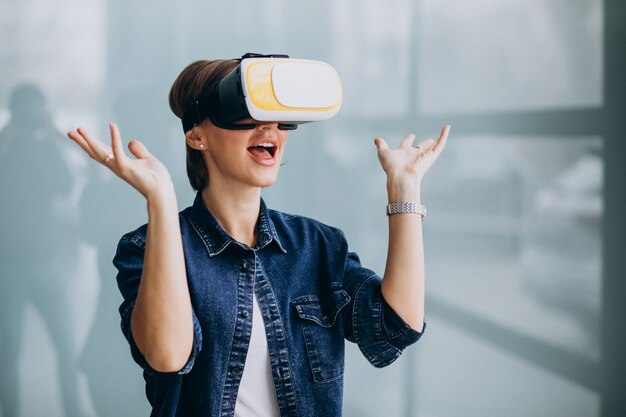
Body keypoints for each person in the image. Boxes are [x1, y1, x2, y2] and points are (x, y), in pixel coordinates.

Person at [67, 55, 450, 417]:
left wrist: (405, 190)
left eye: (278, 118)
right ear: (197, 136)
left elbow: (396, 326)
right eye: (246, 115)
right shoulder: (145, 247)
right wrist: (161, 200)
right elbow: (168, 356)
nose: (269, 129)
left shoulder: (317, 245)